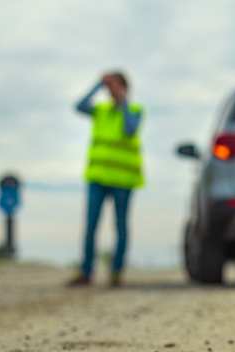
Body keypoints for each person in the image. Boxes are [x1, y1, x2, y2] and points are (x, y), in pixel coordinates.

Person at [68, 71, 145, 287]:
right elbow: (79, 105)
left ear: (124, 87)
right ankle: (86, 271)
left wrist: (123, 99)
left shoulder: (134, 110)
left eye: (114, 85)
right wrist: (97, 85)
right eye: (109, 86)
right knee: (91, 225)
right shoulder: (100, 110)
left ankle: (116, 271)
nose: (110, 89)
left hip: (123, 179)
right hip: (98, 178)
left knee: (120, 226)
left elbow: (130, 129)